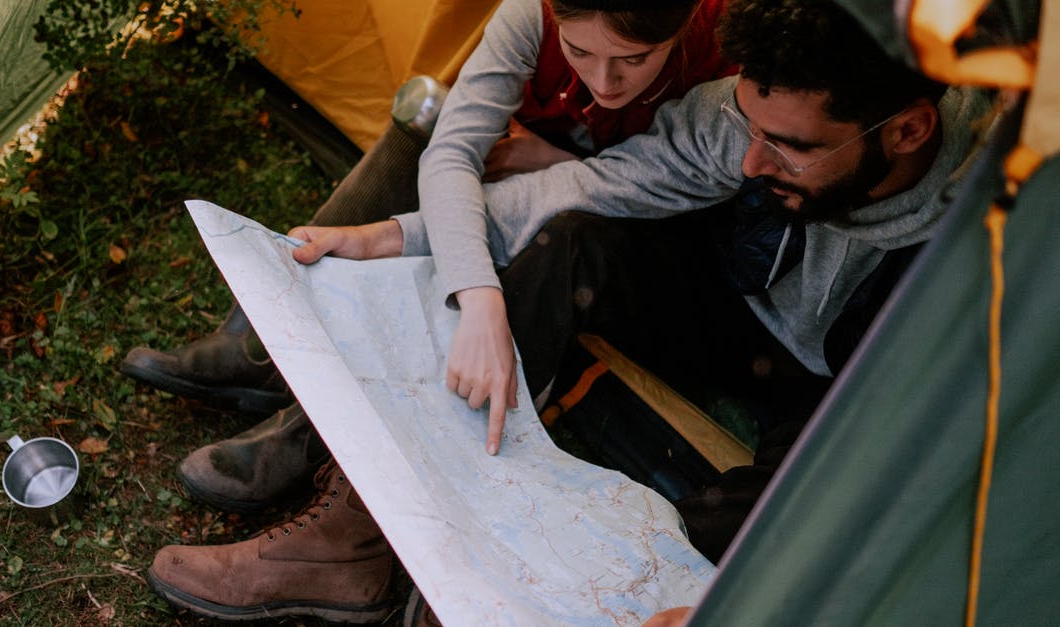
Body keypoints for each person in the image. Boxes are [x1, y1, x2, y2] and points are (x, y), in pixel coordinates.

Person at [146, 0, 992, 622]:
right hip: (734, 314)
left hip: (854, 390)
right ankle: (357, 540)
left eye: (791, 147)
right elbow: (583, 187)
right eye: (748, 126)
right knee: (574, 239)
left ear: (909, 132)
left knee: (778, 513)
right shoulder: (739, 124)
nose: (747, 158)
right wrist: (401, 236)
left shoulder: (989, 240)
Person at [137, 0, 733, 621]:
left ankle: (337, 509)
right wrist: (473, 294)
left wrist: (546, 173)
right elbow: (452, 156)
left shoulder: (726, 63)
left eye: (633, 60)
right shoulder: (533, 13)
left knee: (540, 230)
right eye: (580, 52)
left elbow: (649, 195)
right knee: (429, 118)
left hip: (616, 225)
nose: (604, 82)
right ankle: (275, 366)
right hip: (535, 189)